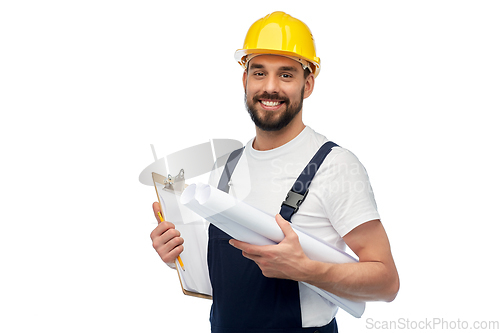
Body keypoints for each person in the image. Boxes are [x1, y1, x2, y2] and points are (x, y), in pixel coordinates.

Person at [150, 11, 399, 333]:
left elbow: (386, 283)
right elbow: (222, 284)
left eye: (285, 75)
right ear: (245, 80)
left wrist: (305, 269)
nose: (270, 88)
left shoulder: (335, 165)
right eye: (259, 73)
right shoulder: (226, 168)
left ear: (307, 84)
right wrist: (178, 259)